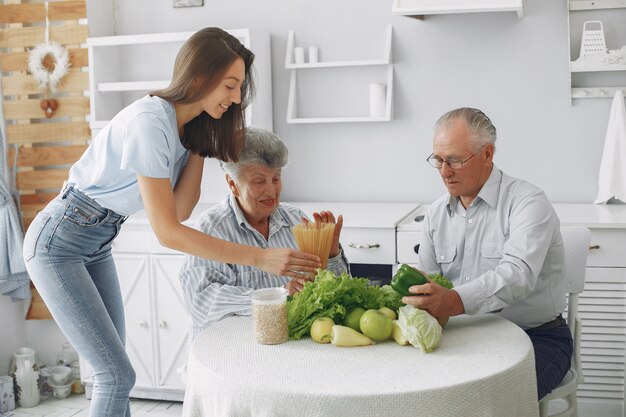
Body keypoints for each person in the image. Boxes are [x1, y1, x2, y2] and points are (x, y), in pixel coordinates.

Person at [22, 28, 320, 417]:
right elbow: (167, 231)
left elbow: (181, 209)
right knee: (115, 375)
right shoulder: (150, 122)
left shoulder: (183, 129)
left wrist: (200, 142)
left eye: (239, 88)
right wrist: (259, 259)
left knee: (112, 372)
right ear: (198, 78)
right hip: (58, 243)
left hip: (96, 242)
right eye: (229, 86)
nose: (235, 98)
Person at [403, 107, 572, 400]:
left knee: (491, 401)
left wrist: (455, 300)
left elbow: (517, 275)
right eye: (439, 160)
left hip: (537, 337)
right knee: (419, 396)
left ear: (487, 154)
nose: (444, 171)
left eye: (454, 159)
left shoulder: (528, 203)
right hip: (463, 335)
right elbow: (429, 284)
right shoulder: (435, 214)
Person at [179, 127, 349, 340]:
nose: (271, 191)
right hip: (230, 351)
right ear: (232, 184)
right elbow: (200, 302)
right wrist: (279, 295)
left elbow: (335, 295)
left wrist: (331, 255)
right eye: (259, 182)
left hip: (286, 347)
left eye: (276, 178)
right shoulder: (212, 229)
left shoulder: (296, 220)